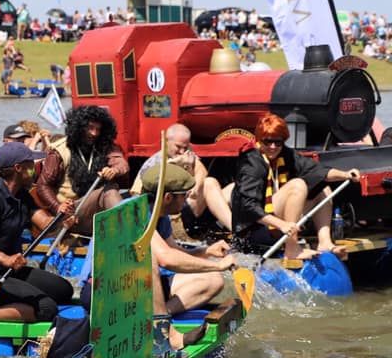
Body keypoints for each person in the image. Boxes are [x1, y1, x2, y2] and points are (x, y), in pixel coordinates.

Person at [0, 142, 76, 322]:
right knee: (47, 308)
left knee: (63, 290)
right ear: (18, 168)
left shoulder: (23, 196)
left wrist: (61, 219)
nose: (36, 170)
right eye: (31, 167)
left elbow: (45, 224)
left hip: (10, 270)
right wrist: (5, 258)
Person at [230, 113, 359, 260]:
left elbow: (316, 170)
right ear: (259, 141)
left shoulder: (286, 154)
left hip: (279, 222)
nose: (273, 147)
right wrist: (282, 224)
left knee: (323, 188)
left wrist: (346, 174)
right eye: (267, 142)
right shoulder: (251, 164)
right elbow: (248, 206)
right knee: (297, 185)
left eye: (277, 142)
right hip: (254, 231)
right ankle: (292, 249)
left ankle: (325, 242)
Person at [140, 164, 236, 314]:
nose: (186, 201)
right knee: (213, 275)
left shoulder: (160, 215)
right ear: (167, 197)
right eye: (184, 195)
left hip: (140, 282)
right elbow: (167, 258)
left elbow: (174, 251)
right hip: (114, 290)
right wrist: (218, 266)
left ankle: (161, 312)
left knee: (213, 280)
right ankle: (157, 319)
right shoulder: (136, 215)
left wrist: (206, 251)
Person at [33, 105, 127, 236]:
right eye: (90, 128)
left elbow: (122, 164)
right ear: (79, 127)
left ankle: (126, 232)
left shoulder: (105, 145)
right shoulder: (59, 151)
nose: (94, 133)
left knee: (126, 195)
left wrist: (115, 170)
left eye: (98, 129)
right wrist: (57, 206)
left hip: (96, 209)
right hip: (71, 215)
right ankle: (128, 233)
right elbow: (42, 185)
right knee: (109, 190)